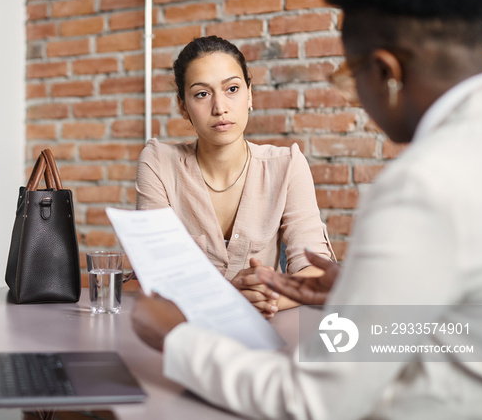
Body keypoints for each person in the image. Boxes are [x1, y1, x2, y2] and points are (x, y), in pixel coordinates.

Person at [131, 0, 482, 418]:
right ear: (184, 105)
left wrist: (179, 339)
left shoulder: (421, 185)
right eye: (202, 94)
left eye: (349, 76)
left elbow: (316, 401)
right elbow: (467, 326)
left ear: (385, 73)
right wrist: (362, 299)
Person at [135, 36, 334, 317]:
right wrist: (235, 296)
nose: (220, 107)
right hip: (183, 331)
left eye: (232, 89)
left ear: (249, 94)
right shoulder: (158, 163)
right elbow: (156, 276)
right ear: (183, 106)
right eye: (202, 94)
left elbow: (317, 274)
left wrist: (265, 298)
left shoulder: (287, 165)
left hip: (268, 333)